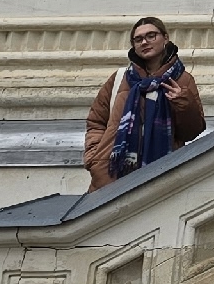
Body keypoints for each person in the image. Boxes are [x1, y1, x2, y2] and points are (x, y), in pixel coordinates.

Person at [83, 16, 205, 189]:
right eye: (138, 39)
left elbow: (192, 132)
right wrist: (95, 158)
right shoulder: (120, 78)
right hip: (112, 175)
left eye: (151, 36)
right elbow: (96, 121)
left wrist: (182, 103)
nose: (145, 42)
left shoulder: (182, 80)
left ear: (165, 38)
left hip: (163, 172)